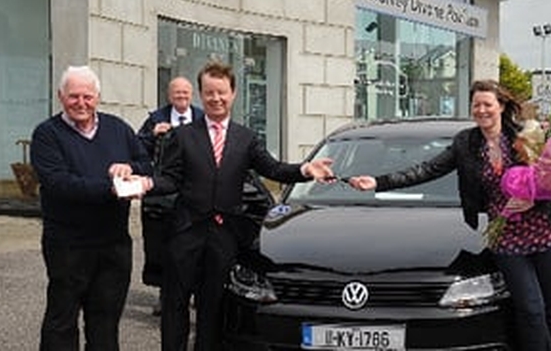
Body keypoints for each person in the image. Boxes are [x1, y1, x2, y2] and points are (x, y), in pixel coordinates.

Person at [349, 79, 551, 351]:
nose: (481, 110)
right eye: (476, 105)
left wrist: (533, 201)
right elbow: (426, 170)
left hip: (546, 233)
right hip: (507, 238)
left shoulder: (527, 135)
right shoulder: (466, 143)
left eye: (487, 104)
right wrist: (378, 182)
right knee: (530, 309)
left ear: (501, 106)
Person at [142, 61, 335, 351]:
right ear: (201, 95)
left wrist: (305, 170)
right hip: (185, 233)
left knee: (212, 307)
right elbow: (169, 179)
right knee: (175, 303)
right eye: (209, 93)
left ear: (233, 94)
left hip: (224, 235)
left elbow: (273, 168)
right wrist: (145, 184)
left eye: (221, 92)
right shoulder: (181, 136)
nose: (215, 98)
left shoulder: (246, 138)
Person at [30, 65, 152, 351]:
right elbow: (60, 183)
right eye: (74, 96)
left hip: (113, 246)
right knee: (62, 323)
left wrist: (131, 168)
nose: (81, 103)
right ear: (61, 96)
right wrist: (110, 189)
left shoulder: (118, 128)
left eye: (87, 96)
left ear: (98, 97)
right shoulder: (47, 134)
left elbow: (146, 163)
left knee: (106, 323)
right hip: (68, 246)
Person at [137, 76, 204, 316]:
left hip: (193, 191)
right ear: (169, 96)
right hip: (162, 195)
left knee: (194, 245)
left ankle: (196, 293)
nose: (182, 98)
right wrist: (153, 134)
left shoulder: (201, 117)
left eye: (186, 94)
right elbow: (137, 149)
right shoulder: (155, 119)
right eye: (177, 94)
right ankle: (165, 296)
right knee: (162, 247)